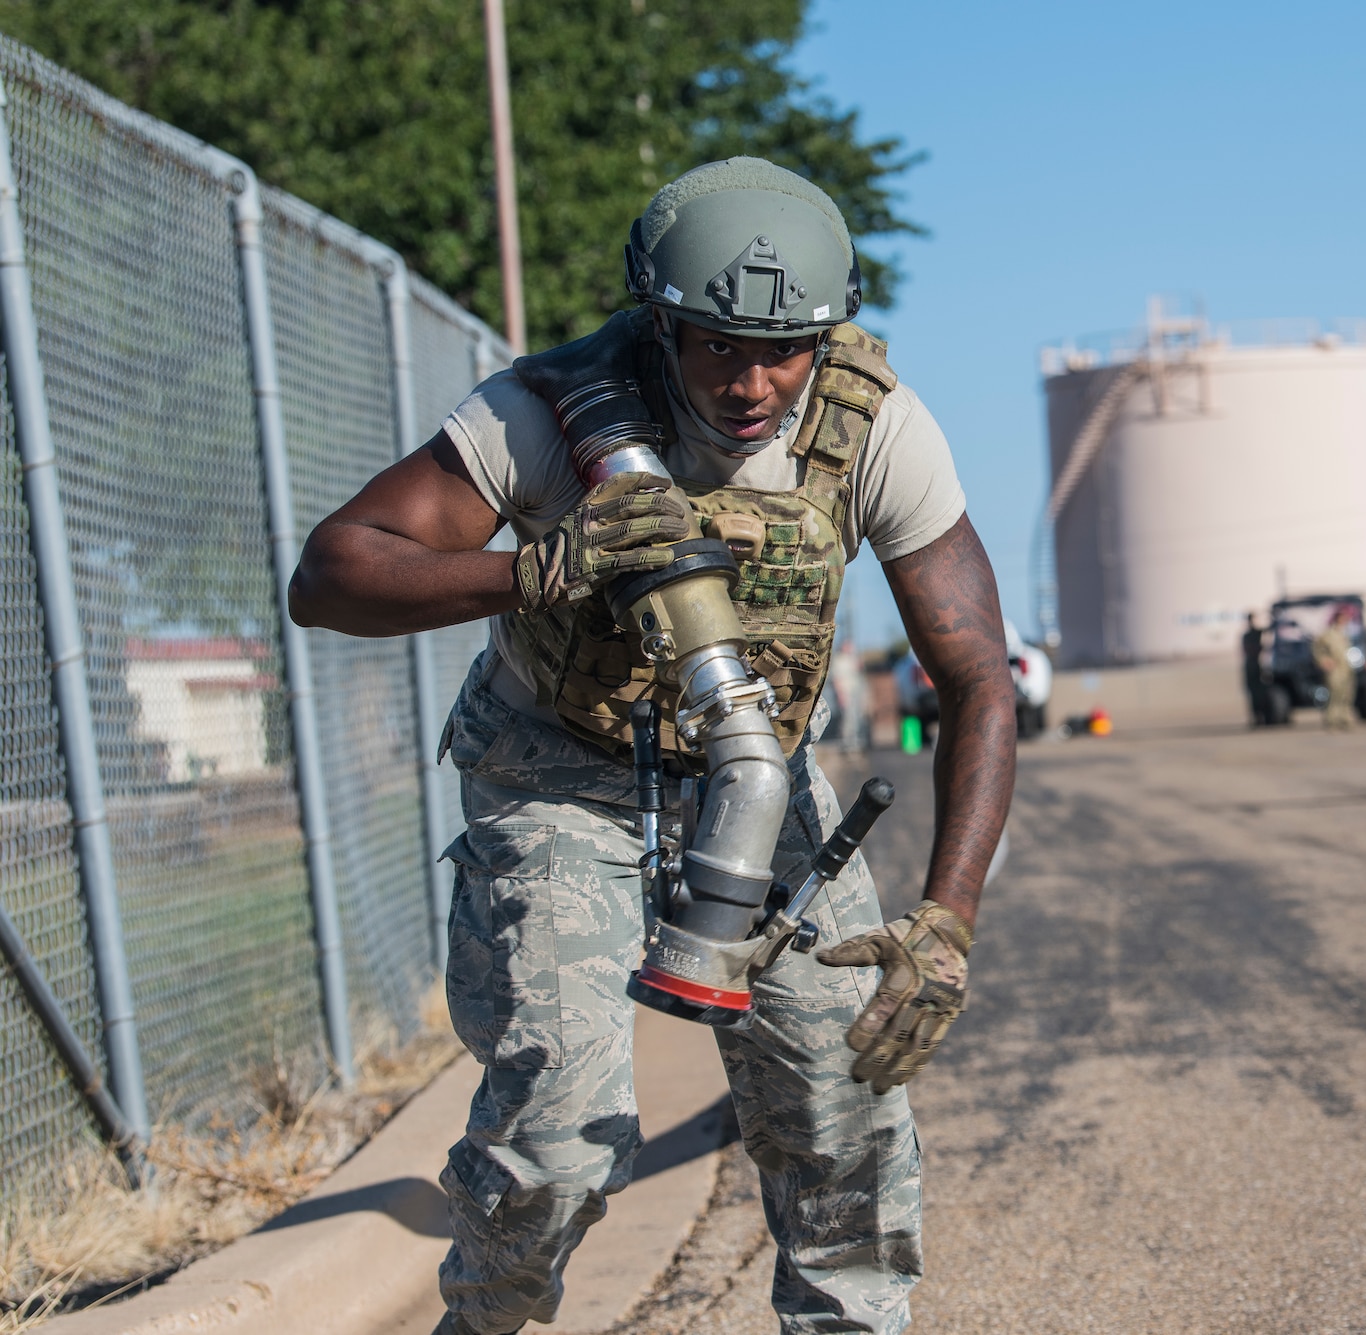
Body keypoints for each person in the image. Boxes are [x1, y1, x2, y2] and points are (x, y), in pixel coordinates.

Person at [289, 158, 1017, 1335]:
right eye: (717, 342)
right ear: (659, 318)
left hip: (761, 781)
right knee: (559, 1141)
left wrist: (947, 921)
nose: (751, 379)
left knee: (846, 1119)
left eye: (784, 348)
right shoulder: (549, 413)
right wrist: (536, 568)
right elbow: (329, 574)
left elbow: (979, 676)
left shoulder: (869, 424)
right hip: (559, 772)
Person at [1310, 607, 1355, 731]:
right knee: (1335, 694)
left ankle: (1345, 719)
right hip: (1335, 669)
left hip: (1346, 668)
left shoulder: (1345, 633)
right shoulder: (1327, 634)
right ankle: (1332, 721)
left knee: (1346, 694)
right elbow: (1317, 649)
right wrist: (1323, 661)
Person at [1242, 612, 1269, 725]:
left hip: (1257, 665)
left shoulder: (1258, 633)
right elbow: (1250, 650)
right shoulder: (1248, 635)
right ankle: (1257, 717)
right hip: (1252, 666)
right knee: (1254, 694)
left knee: (1261, 693)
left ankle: (1262, 716)